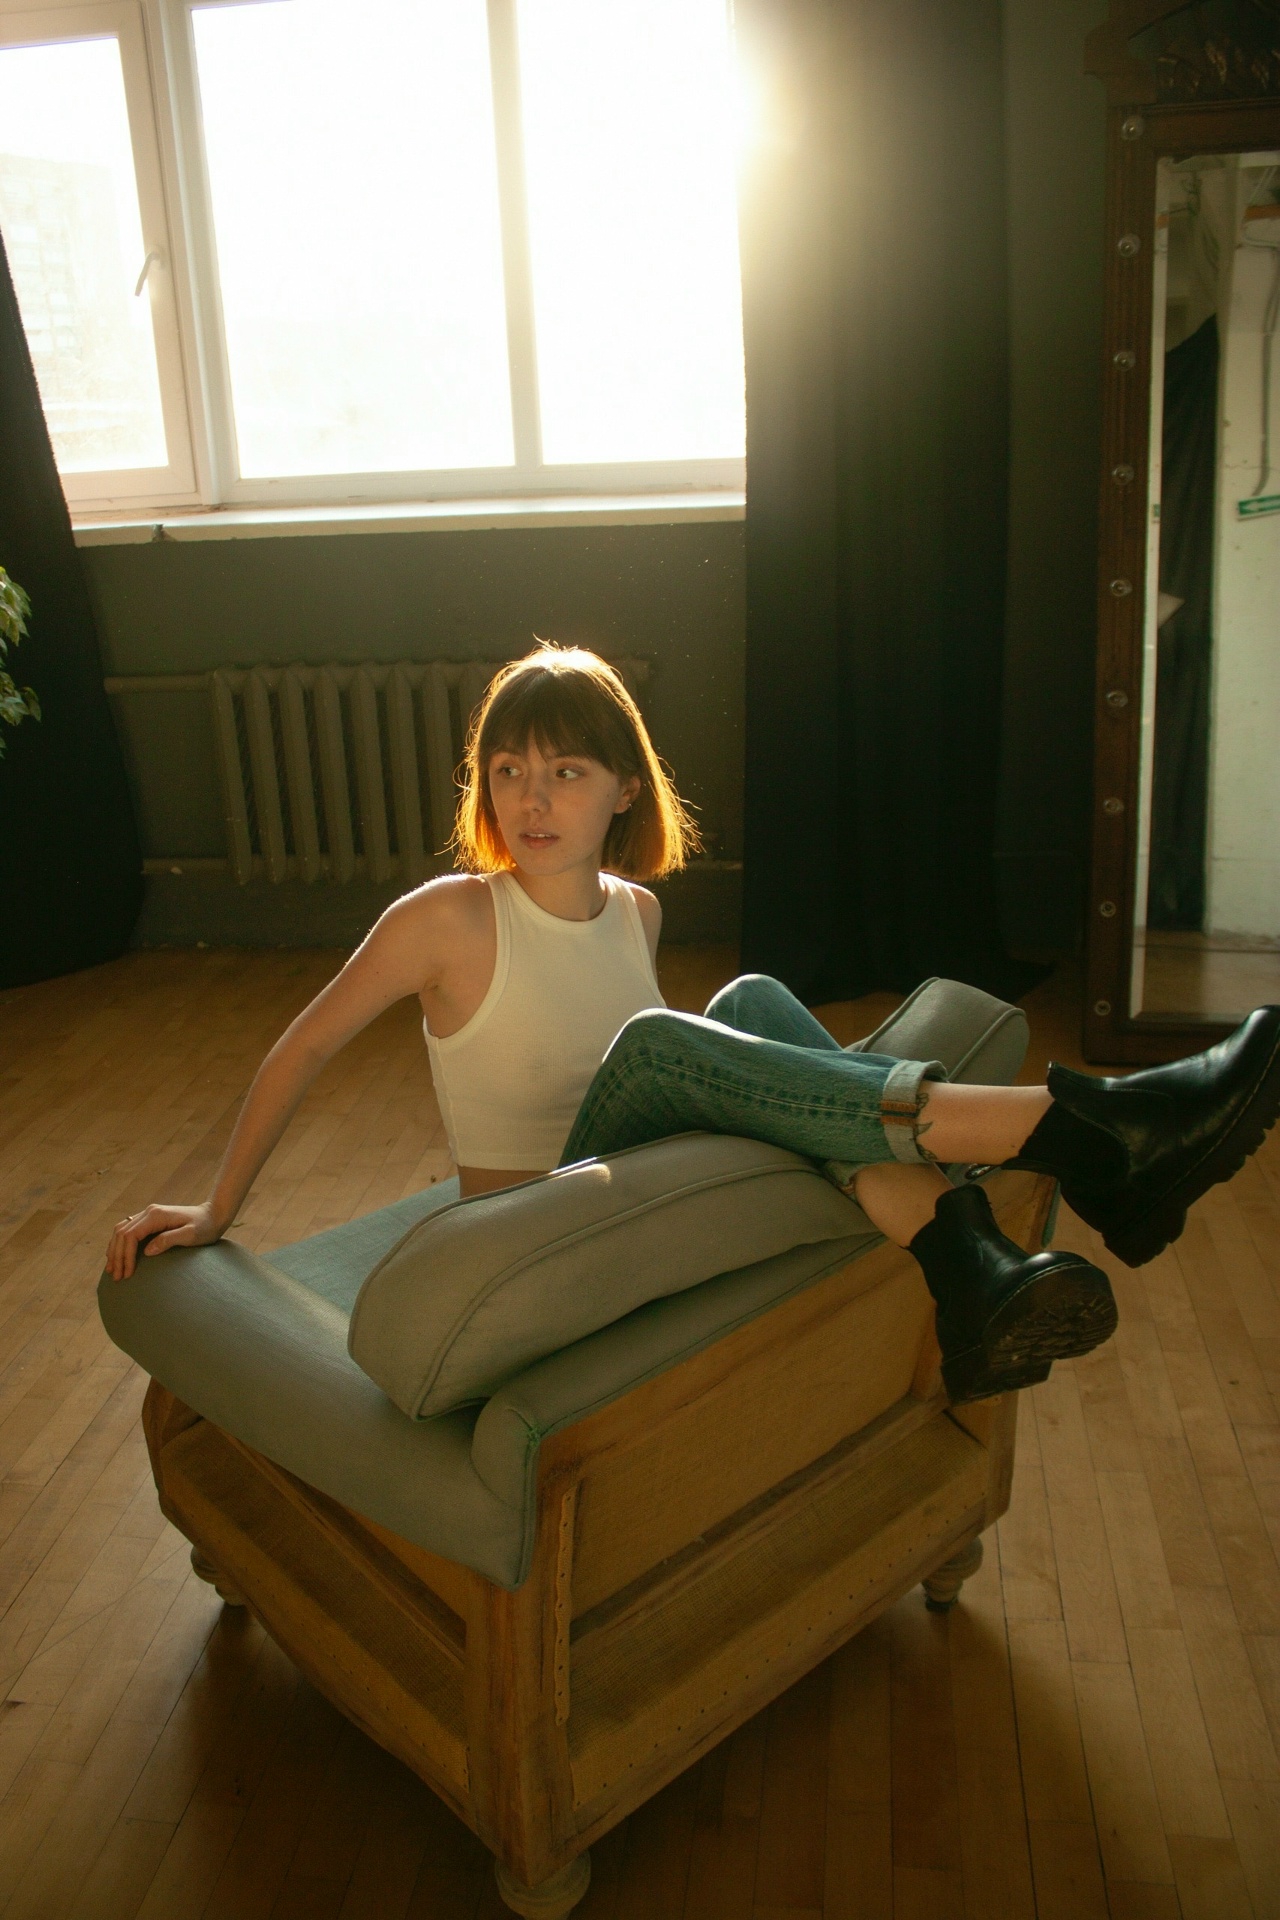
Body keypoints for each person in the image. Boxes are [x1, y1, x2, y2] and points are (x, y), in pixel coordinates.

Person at [105, 646, 1280, 1405]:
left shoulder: (639, 909)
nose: (530, 798)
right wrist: (216, 1209)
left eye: (565, 772)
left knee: (751, 1003)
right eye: (507, 771)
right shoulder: (447, 919)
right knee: (664, 1042)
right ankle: (1088, 1127)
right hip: (528, 1223)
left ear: (625, 787)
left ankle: (969, 1271)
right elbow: (305, 1045)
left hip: (644, 1183)